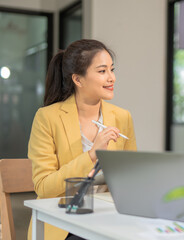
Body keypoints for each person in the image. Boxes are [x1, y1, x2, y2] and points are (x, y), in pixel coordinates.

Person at [27, 39, 137, 240]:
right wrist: (91, 154)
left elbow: (131, 179)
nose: (112, 78)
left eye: (112, 70)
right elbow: (44, 187)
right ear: (78, 79)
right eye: (102, 71)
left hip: (109, 221)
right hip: (63, 223)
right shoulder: (47, 118)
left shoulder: (122, 117)